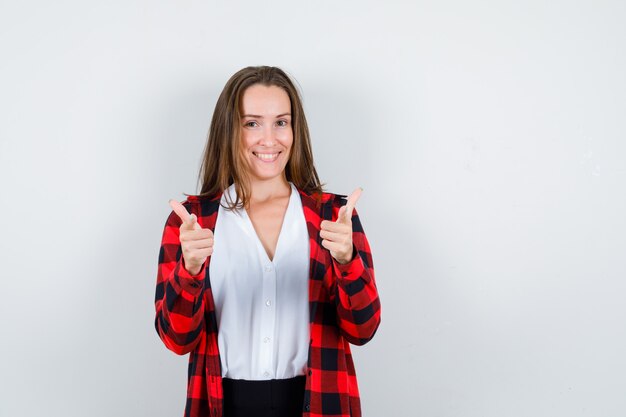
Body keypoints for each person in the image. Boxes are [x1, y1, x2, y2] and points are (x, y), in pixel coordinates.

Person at [154, 65, 381, 417]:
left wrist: (347, 260)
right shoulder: (193, 222)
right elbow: (176, 340)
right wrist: (191, 269)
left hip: (317, 402)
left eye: (281, 122)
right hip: (223, 404)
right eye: (252, 123)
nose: (269, 139)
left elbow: (364, 328)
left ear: (295, 129)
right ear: (229, 130)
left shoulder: (333, 218)